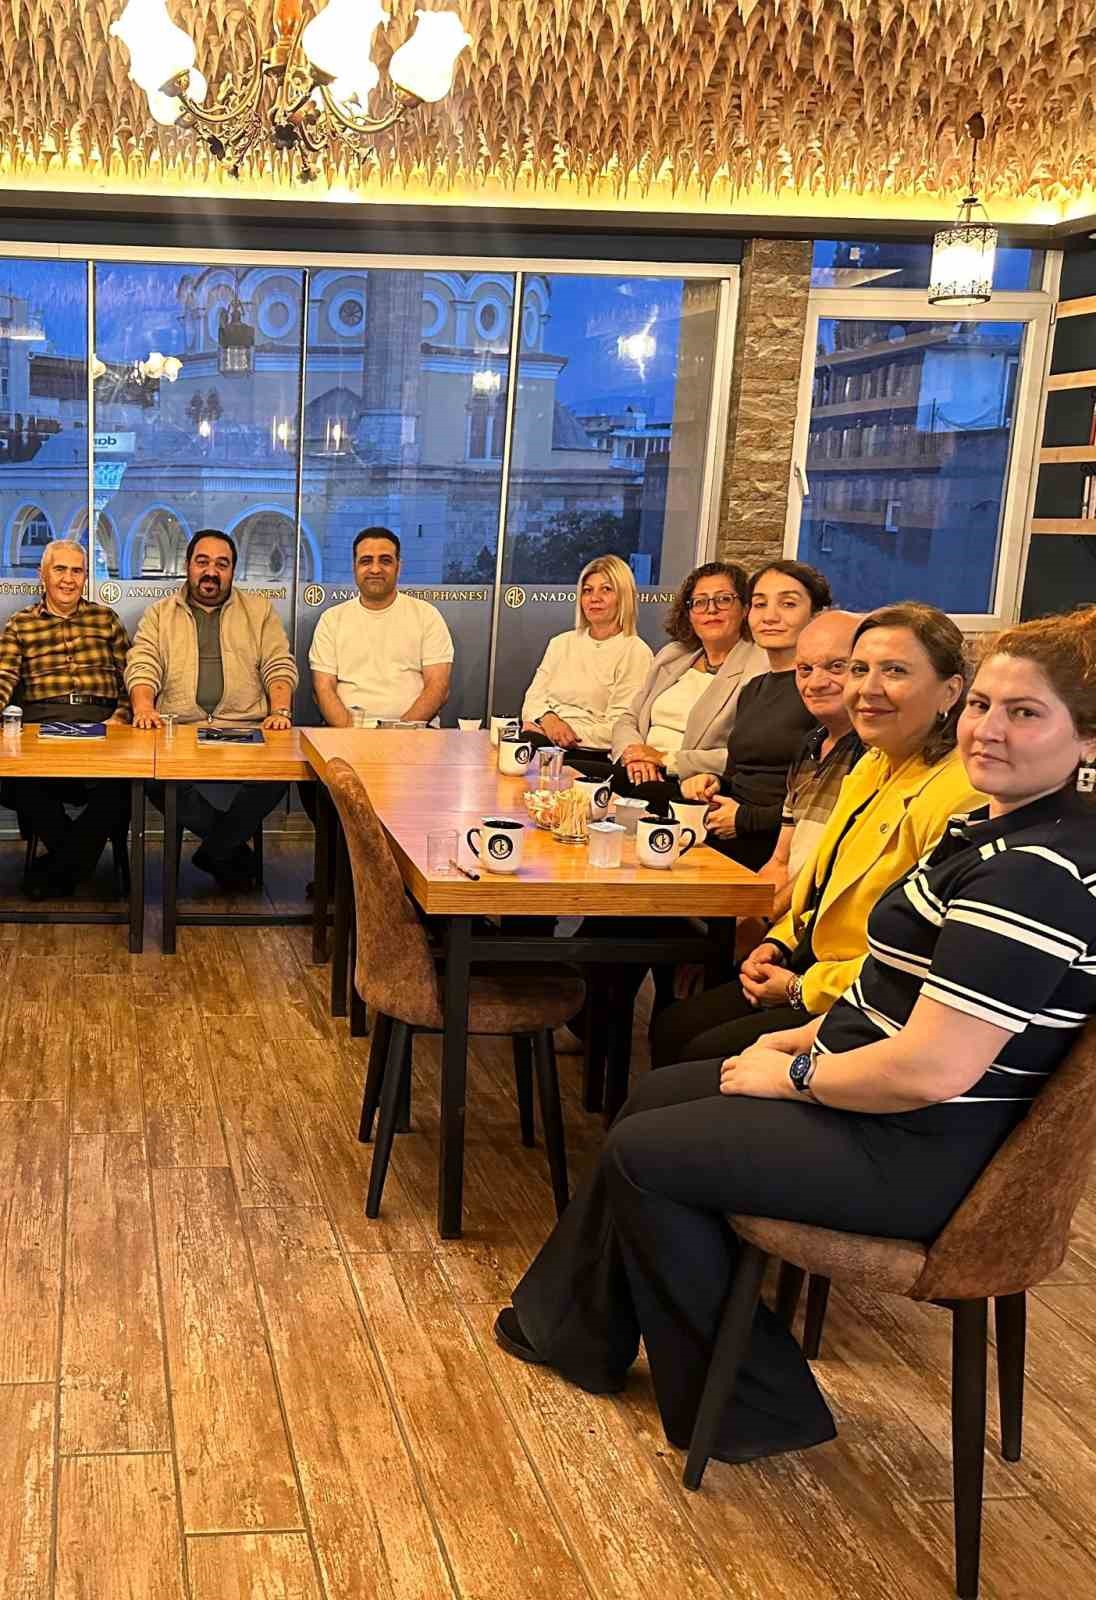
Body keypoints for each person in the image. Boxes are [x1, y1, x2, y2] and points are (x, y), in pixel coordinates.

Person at [493, 604, 1096, 1465]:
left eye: (1025, 713)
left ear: (1088, 740)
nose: (987, 729)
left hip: (923, 1148)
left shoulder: (1037, 874)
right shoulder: (1007, 828)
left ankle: (758, 1404)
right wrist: (806, 1032)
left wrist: (797, 1074)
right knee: (658, 1095)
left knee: (645, 1154)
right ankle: (573, 1330)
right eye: (983, 707)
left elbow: (932, 1068)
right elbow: (896, 992)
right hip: (886, 1099)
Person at [649, 602, 983, 1069]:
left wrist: (799, 986)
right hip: (810, 961)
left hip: (866, 999)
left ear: (951, 691)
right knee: (675, 1026)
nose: (867, 688)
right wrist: (779, 943)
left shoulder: (962, 793)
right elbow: (820, 885)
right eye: (860, 670)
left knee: (694, 1053)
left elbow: (918, 956)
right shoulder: (871, 763)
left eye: (894, 671)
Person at [128, 528, 297, 891]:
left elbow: (279, 664)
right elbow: (143, 665)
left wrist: (280, 711)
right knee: (152, 776)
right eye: (202, 562)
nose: (211, 572)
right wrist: (143, 708)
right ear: (187, 565)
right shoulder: (159, 614)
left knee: (281, 773)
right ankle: (227, 851)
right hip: (179, 731)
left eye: (222, 564)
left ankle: (214, 850)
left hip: (245, 730)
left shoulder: (259, 612)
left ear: (233, 570)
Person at [0, 539, 131, 899]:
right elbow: (4, 677)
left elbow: (133, 678)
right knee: (19, 782)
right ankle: (75, 864)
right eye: (60, 569)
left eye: (77, 571)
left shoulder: (106, 619)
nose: (69, 579)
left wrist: (121, 717)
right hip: (42, 723)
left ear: (86, 577)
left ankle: (58, 869)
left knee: (122, 786)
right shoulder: (20, 624)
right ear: (42, 574)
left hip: (103, 723)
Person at [680, 560, 832, 871]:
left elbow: (826, 802)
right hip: (726, 827)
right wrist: (712, 782)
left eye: (788, 604)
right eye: (760, 604)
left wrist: (745, 819)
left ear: (816, 615)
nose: (770, 616)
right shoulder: (753, 688)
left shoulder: (822, 692)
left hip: (776, 846)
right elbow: (739, 774)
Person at [607, 561, 767, 811]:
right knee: (569, 775)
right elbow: (628, 719)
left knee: (617, 796)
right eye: (700, 602)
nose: (711, 610)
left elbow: (746, 757)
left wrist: (664, 759)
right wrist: (635, 756)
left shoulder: (759, 665)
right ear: (689, 613)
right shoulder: (673, 655)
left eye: (723, 600)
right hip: (639, 771)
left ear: (745, 609)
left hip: (692, 783)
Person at [309, 527, 453, 726]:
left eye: (385, 561)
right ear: (354, 567)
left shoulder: (427, 616)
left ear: (398, 567)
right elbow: (323, 688)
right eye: (366, 561)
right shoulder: (331, 620)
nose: (375, 569)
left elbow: (438, 686)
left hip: (414, 733)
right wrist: (349, 733)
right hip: (347, 733)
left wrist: (398, 733)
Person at [520, 555, 653, 767]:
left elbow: (621, 728)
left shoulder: (636, 652)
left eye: (606, 590)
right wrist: (549, 720)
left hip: (590, 752)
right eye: (588, 591)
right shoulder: (560, 643)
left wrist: (561, 732)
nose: (594, 598)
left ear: (623, 597)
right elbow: (533, 699)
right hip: (545, 736)